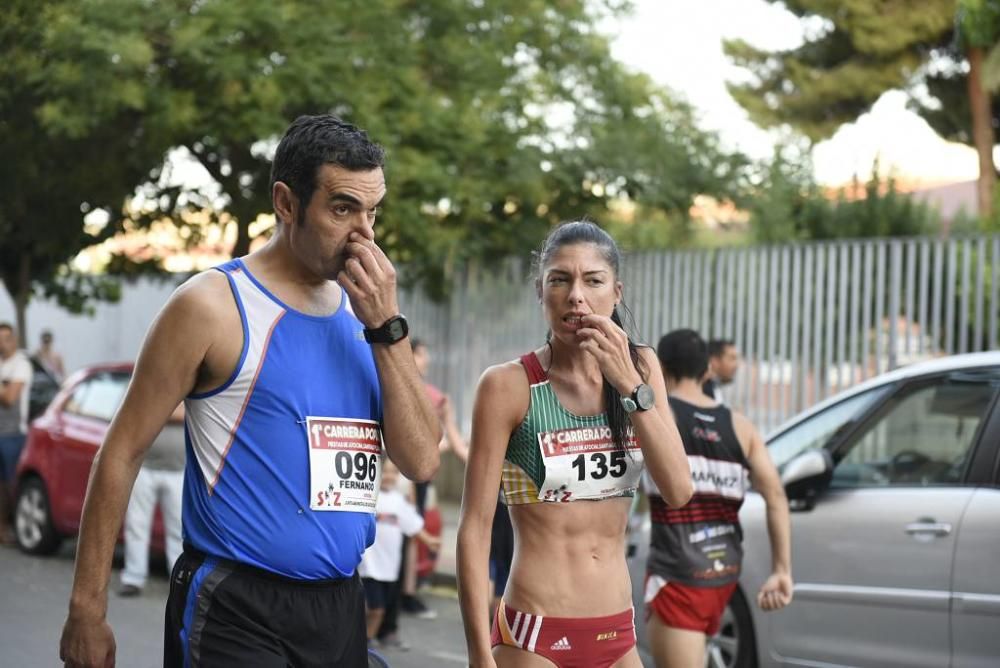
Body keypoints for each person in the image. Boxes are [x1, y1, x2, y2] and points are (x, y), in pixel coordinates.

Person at [59, 114, 442, 668]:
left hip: (338, 604)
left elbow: (423, 460)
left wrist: (386, 328)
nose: (365, 235)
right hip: (236, 604)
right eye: (342, 209)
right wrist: (86, 610)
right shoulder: (211, 305)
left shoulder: (371, 315)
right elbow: (121, 452)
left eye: (372, 211)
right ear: (286, 203)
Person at [457, 220, 693, 668]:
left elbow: (678, 491)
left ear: (616, 292)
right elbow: (474, 528)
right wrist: (477, 655)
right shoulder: (508, 385)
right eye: (559, 280)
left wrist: (628, 384)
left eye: (593, 280)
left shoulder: (642, 367)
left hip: (618, 634)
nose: (575, 296)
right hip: (534, 635)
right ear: (540, 292)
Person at [647, 329, 791, 668]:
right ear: (708, 371)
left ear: (661, 369)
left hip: (679, 577)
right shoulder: (741, 426)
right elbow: (776, 496)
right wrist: (781, 570)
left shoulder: (655, 418)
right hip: (724, 575)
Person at [360, 459, 440, 644]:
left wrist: (429, 541)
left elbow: (413, 526)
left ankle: (367, 643)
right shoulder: (369, 497)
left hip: (390, 568)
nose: (388, 476)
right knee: (375, 609)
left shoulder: (398, 502)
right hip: (368, 567)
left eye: (393, 473)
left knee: (381, 608)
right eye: (384, 472)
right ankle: (364, 643)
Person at [117, 403, 185, 597]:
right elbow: (138, 410)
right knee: (136, 525)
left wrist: (161, 410)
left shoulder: (188, 382)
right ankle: (133, 578)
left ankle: (178, 580)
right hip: (144, 466)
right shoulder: (149, 378)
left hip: (179, 469)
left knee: (178, 529)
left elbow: (192, 413)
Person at [0, 322, 33, 545]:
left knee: (12, 483)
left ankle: (16, 528)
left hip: (13, 434)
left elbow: (10, 399)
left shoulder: (21, 365)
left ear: (14, 340)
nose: (2, 343)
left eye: (6, 338)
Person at [701, 339, 739, 404]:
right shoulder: (703, 390)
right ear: (714, 361)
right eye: (732, 358)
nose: (736, 365)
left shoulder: (714, 386)